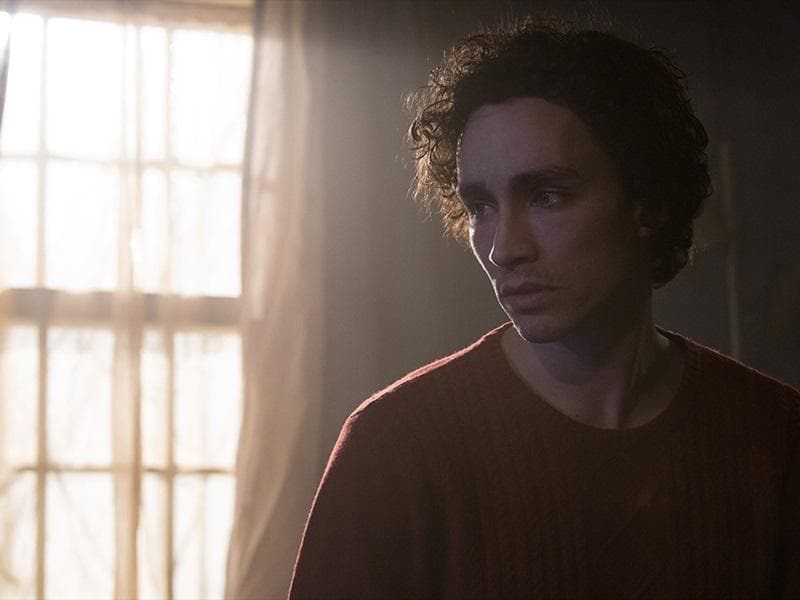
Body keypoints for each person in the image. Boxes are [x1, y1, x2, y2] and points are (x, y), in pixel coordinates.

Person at [289, 17, 800, 598]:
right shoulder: (395, 446)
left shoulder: (776, 438)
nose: (504, 249)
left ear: (648, 204)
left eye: (547, 196)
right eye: (481, 206)